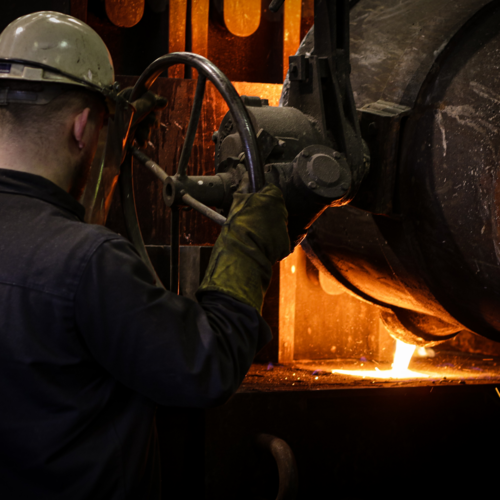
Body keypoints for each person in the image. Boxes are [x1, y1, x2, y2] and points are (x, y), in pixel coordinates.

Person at [0, 11, 290, 499]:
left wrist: (113, 145)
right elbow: (208, 365)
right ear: (83, 126)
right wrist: (247, 244)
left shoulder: (67, 255)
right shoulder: (89, 262)